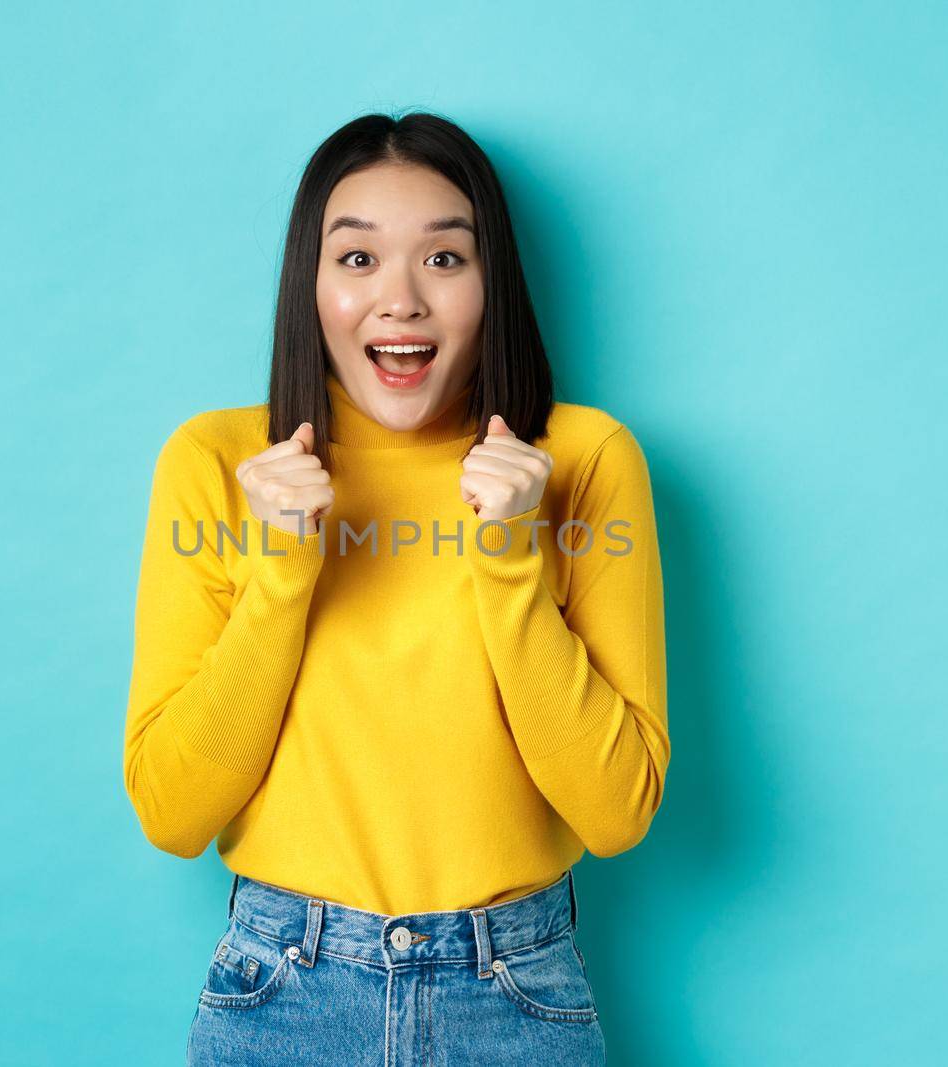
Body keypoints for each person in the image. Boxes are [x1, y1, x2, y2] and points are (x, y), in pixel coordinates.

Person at [122, 110, 669, 1066]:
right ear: (313, 283)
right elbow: (172, 813)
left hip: (513, 994)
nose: (401, 300)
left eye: (445, 260)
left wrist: (507, 559)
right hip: (282, 990)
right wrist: (283, 569)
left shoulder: (583, 461)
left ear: (490, 283)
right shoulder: (217, 463)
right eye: (359, 259)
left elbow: (617, 811)